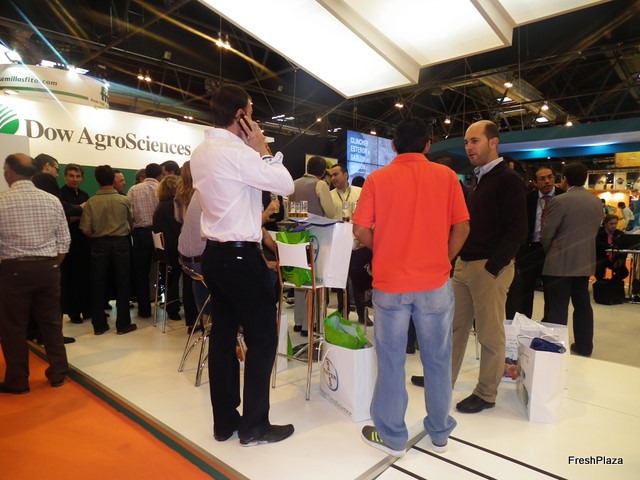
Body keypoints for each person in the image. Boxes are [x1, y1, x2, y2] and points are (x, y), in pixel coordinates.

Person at [353, 118, 469, 456]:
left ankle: (392, 437)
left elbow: (360, 230)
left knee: (391, 360)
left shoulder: (377, 179)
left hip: (391, 284)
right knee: (438, 359)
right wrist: (443, 258)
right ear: (428, 144)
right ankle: (440, 432)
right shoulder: (446, 177)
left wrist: (383, 250)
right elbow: (462, 227)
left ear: (393, 145)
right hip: (435, 283)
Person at [190, 84, 295, 446]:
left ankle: (225, 423)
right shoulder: (237, 153)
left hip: (215, 256)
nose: (255, 118)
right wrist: (261, 147)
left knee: (222, 337)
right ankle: (254, 426)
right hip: (240, 257)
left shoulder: (201, 152)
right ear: (241, 116)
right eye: (251, 111)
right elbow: (285, 183)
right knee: (262, 338)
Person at [451, 120, 527, 414]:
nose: (469, 147)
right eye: (466, 142)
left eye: (475, 141)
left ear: (493, 142)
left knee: (489, 334)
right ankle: (444, 378)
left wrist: (494, 267)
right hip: (465, 265)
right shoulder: (478, 179)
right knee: (454, 328)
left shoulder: (508, 180)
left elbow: (517, 229)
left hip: (488, 268)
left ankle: (486, 393)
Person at [0, 153, 70, 393]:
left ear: (9, 172)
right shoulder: (52, 200)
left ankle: (18, 380)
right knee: (51, 323)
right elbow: (64, 241)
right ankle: (58, 373)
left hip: (14, 269)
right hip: (48, 267)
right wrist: (52, 264)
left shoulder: (2, 201)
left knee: (13, 327)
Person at [541, 162, 605, 357]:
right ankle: (585, 346)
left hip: (559, 262)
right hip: (584, 262)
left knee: (557, 308)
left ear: (564, 179)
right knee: (583, 305)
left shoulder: (559, 201)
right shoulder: (596, 202)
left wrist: (550, 251)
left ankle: (554, 349)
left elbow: (547, 234)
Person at [80, 165, 137, 336]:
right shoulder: (123, 200)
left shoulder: (91, 202)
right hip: (121, 243)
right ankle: (123, 324)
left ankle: (99, 325)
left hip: (98, 244)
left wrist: (97, 235)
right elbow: (131, 224)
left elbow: (85, 229)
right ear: (113, 180)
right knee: (123, 283)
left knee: (97, 284)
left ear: (96, 180)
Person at [506, 167, 565, 319]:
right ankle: (524, 323)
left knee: (552, 292)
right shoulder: (528, 199)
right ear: (535, 182)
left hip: (554, 251)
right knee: (524, 291)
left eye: (550, 177)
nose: (547, 181)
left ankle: (550, 324)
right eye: (542, 179)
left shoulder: (563, 197)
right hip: (530, 250)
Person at [291, 155, 335, 335]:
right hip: (316, 238)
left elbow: (290, 212)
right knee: (315, 280)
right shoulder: (320, 185)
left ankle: (298, 322)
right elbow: (330, 212)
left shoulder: (294, 183)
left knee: (299, 280)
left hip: (296, 237)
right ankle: (309, 324)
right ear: (323, 172)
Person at [328, 163, 368, 322]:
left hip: (357, 244)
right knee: (340, 280)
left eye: (336, 174)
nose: (333, 178)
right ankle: (342, 312)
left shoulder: (360, 192)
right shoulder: (329, 196)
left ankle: (362, 313)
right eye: (331, 175)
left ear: (346, 175)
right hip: (338, 243)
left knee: (357, 279)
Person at [128, 163, 162, 318]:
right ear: (159, 175)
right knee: (162, 269)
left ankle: (144, 309)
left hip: (140, 234)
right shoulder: (162, 188)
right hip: (159, 234)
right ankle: (165, 303)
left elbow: (130, 215)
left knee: (141, 272)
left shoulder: (133, 190)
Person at [59, 163, 91, 324]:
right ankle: (74, 312)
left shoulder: (85, 194)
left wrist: (77, 213)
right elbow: (63, 218)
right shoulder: (60, 194)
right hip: (69, 242)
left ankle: (87, 309)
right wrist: (81, 212)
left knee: (85, 276)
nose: (74, 179)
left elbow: (89, 217)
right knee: (70, 278)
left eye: (78, 176)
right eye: (71, 176)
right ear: (65, 177)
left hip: (85, 241)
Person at [152, 175, 183, 321]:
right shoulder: (174, 206)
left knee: (170, 278)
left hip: (163, 251)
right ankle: (175, 306)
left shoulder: (161, 205)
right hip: (173, 250)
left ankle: (171, 304)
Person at [595, 214, 628, 281]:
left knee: (624, 272)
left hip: (615, 259)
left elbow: (625, 249)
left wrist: (621, 260)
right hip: (602, 258)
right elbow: (598, 246)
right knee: (599, 271)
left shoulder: (620, 233)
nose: (614, 226)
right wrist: (610, 246)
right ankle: (601, 283)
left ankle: (613, 282)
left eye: (615, 223)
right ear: (605, 224)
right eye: (611, 224)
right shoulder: (599, 233)